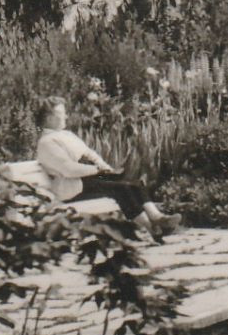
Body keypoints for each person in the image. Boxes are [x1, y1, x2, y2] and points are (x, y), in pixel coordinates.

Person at [33, 96, 179, 242]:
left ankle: (157, 218)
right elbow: (69, 170)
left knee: (133, 182)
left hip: (86, 180)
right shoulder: (46, 143)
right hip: (71, 188)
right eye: (61, 113)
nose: (66, 116)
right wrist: (97, 170)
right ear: (49, 118)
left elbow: (89, 152)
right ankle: (153, 229)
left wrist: (103, 166)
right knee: (121, 189)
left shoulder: (66, 135)